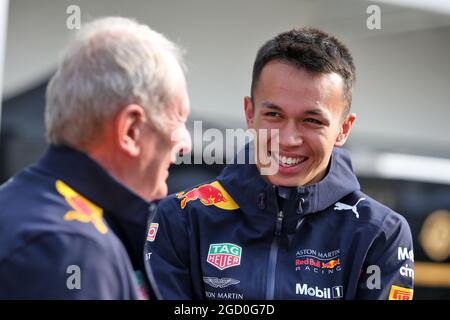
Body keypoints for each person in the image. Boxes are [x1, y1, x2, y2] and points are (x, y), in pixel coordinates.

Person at [144, 28, 414, 300]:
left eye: (312, 121)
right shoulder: (182, 217)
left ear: (344, 128)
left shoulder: (380, 233)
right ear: (250, 114)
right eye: (274, 114)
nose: (288, 139)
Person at [0, 17, 191, 299]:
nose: (186, 144)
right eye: (178, 119)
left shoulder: (21, 203)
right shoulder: (73, 246)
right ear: (131, 130)